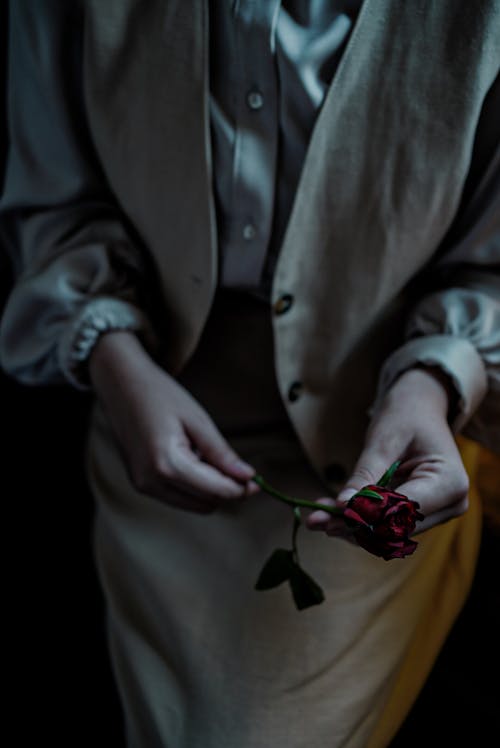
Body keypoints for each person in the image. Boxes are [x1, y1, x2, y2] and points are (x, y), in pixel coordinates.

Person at [1, 1, 499, 746]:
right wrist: (114, 359)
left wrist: (430, 385)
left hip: (384, 409)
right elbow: (56, 205)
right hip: (168, 383)